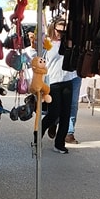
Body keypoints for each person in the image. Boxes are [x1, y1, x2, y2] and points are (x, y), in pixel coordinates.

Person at [38, 20, 77, 154]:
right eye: (58, 30)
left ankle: (59, 144)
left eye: (63, 31)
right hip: (53, 81)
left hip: (68, 79)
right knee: (54, 113)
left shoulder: (69, 43)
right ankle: (37, 135)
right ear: (53, 29)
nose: (60, 34)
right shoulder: (47, 43)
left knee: (66, 114)